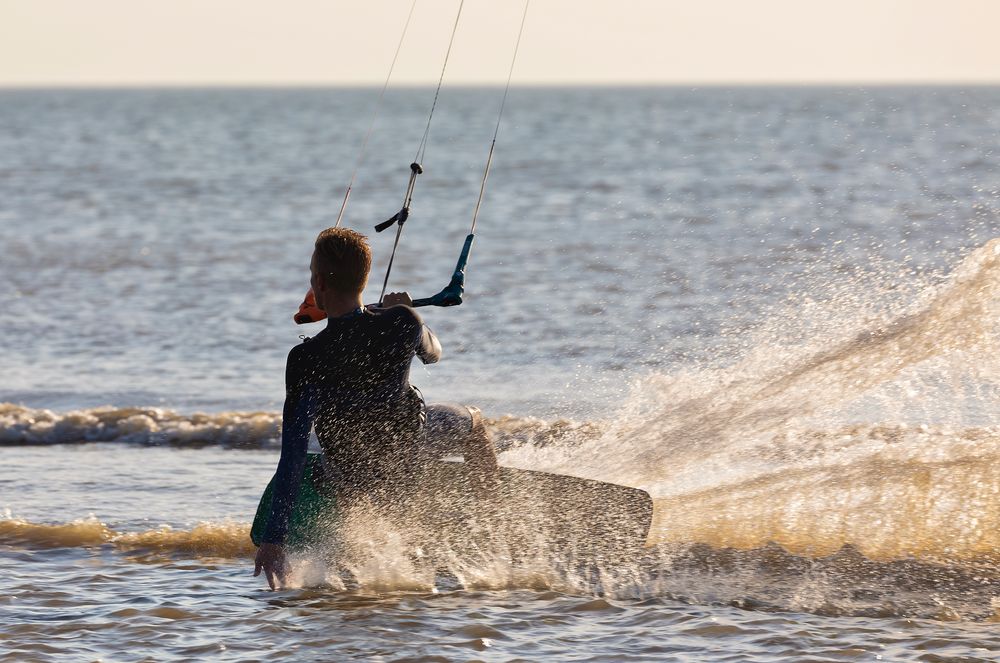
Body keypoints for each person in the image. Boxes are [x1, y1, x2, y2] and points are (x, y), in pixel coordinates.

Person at [254, 227, 499, 590]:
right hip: (406, 457)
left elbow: (292, 453)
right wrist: (406, 309)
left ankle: (357, 543)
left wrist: (275, 538)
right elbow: (434, 354)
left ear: (319, 283)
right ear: (364, 280)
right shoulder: (400, 323)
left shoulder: (304, 358)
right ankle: (492, 520)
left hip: (345, 474)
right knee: (475, 421)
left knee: (333, 457)